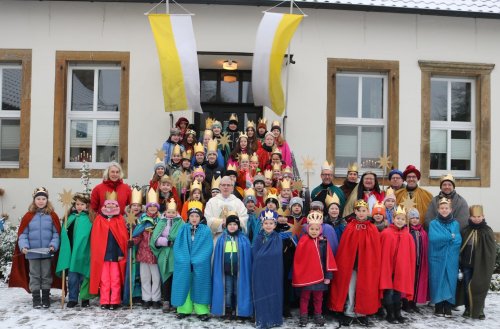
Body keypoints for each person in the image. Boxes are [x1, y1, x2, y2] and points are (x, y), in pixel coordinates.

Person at [329, 200, 381, 327]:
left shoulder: (372, 228)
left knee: (364, 288)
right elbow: (344, 248)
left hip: (366, 265)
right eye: (359, 211)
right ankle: (349, 312)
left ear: (367, 212)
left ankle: (362, 313)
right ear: (355, 211)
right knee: (350, 289)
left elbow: (375, 250)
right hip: (351, 265)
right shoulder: (350, 226)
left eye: (364, 211)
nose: (361, 213)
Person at [10, 187, 61, 308]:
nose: (41, 201)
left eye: (43, 198)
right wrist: (24, 246)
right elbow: (23, 234)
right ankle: (36, 299)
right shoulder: (28, 216)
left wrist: (53, 245)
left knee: (46, 275)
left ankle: (46, 298)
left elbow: (56, 233)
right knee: (34, 275)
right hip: (32, 253)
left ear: (47, 200)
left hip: (47, 253)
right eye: (38, 198)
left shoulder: (52, 216)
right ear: (34, 200)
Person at [293, 212, 337, 327]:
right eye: (311, 229)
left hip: (320, 277)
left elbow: (328, 259)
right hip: (307, 277)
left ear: (320, 230)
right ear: (307, 229)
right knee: (304, 297)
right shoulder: (303, 241)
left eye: (316, 229)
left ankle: (318, 315)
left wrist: (328, 276)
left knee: (319, 298)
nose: (314, 231)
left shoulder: (324, 242)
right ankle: (304, 316)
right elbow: (299, 261)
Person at [171, 201, 213, 321]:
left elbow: (207, 247)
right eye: (192, 216)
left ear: (200, 217)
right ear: (188, 217)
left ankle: (202, 310)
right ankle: (184, 309)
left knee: (200, 285)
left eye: (197, 216)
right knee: (184, 285)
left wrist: (196, 260)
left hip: (200, 264)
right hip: (184, 263)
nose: (194, 218)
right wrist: (185, 260)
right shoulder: (183, 229)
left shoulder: (205, 230)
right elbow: (178, 246)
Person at [456, 205, 496, 320]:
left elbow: (490, 251)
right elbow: (460, 247)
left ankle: (480, 310)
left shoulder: (487, 231)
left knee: (479, 287)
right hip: (466, 265)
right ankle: (468, 308)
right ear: (470, 217)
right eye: (474, 216)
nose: (477, 219)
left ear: (483, 217)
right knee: (467, 286)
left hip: (480, 266)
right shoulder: (466, 230)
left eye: (479, 216)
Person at [90, 191, 128, 310]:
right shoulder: (99, 220)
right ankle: (105, 301)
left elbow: (122, 239)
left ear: (117, 206)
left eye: (113, 205)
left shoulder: (120, 219)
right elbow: (96, 239)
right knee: (105, 280)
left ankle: (115, 301)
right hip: (103, 256)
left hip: (116, 256)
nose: (110, 207)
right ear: (104, 206)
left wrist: (121, 253)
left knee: (115, 279)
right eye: (108, 205)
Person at [212, 213, 253, 322]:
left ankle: (239, 311)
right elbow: (218, 257)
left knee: (238, 290)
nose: (232, 226)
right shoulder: (222, 239)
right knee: (228, 291)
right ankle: (229, 310)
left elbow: (247, 257)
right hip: (226, 272)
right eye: (230, 224)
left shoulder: (243, 239)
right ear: (226, 225)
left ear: (238, 226)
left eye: (235, 224)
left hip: (240, 271)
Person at [379, 206, 416, 324]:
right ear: (393, 219)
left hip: (400, 269)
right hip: (388, 268)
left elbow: (410, 255)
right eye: (398, 218)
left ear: (405, 221)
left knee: (398, 292)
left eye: (402, 219)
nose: (400, 221)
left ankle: (398, 313)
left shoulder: (408, 236)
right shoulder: (386, 233)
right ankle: (390, 313)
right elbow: (381, 251)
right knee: (389, 291)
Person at [56, 192, 92, 308]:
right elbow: (64, 234)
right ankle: (72, 298)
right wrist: (64, 232)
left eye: (82, 204)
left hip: (84, 252)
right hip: (71, 252)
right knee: (72, 278)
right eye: (77, 204)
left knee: (84, 277)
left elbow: (91, 235)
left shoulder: (89, 219)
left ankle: (85, 298)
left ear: (87, 205)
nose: (79, 206)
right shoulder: (69, 218)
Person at [428, 197, 461, 318]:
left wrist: (448, 237)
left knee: (449, 280)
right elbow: (434, 239)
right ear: (438, 209)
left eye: (446, 208)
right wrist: (449, 237)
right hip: (437, 257)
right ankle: (438, 306)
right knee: (438, 280)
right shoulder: (433, 223)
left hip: (451, 257)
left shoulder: (455, 224)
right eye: (442, 208)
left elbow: (458, 240)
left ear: (451, 209)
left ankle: (447, 306)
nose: (444, 210)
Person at [150, 198, 184, 313]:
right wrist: (167, 241)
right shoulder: (161, 222)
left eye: (173, 212)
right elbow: (155, 238)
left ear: (176, 213)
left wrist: (174, 240)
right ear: (165, 212)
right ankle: (166, 301)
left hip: (176, 254)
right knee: (166, 279)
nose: (171, 214)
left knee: (176, 278)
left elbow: (183, 237)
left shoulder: (181, 223)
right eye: (169, 212)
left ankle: (175, 301)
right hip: (164, 253)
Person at [130, 188, 162, 309]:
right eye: (150, 207)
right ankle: (146, 298)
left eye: (155, 207)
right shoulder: (142, 220)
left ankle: (156, 299)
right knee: (145, 277)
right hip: (143, 253)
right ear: (147, 208)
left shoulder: (161, 220)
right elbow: (138, 235)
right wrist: (133, 241)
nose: (152, 209)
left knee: (156, 277)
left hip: (155, 253)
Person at [252, 210, 283, 329]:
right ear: (262, 224)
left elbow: (276, 253)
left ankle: (274, 318)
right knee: (261, 292)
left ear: (275, 225)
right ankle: (262, 318)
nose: (268, 226)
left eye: (271, 223)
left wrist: (262, 255)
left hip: (273, 270)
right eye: (266, 223)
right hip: (260, 270)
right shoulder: (259, 237)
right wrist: (261, 256)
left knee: (273, 291)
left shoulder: (277, 238)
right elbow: (255, 252)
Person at [204, 176, 248, 240]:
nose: (226, 187)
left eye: (228, 185)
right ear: (219, 187)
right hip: (217, 238)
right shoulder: (211, 202)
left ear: (232, 188)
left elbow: (244, 218)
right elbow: (207, 219)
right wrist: (221, 224)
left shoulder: (238, 202)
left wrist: (231, 223)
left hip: (235, 238)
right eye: (223, 185)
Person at [407, 208, 429, 313]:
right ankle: (406, 303)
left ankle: (413, 303)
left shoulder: (422, 232)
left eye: (417, 218)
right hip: (409, 262)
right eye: (412, 218)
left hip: (419, 262)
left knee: (416, 283)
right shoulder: (407, 231)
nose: (415, 220)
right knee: (408, 282)